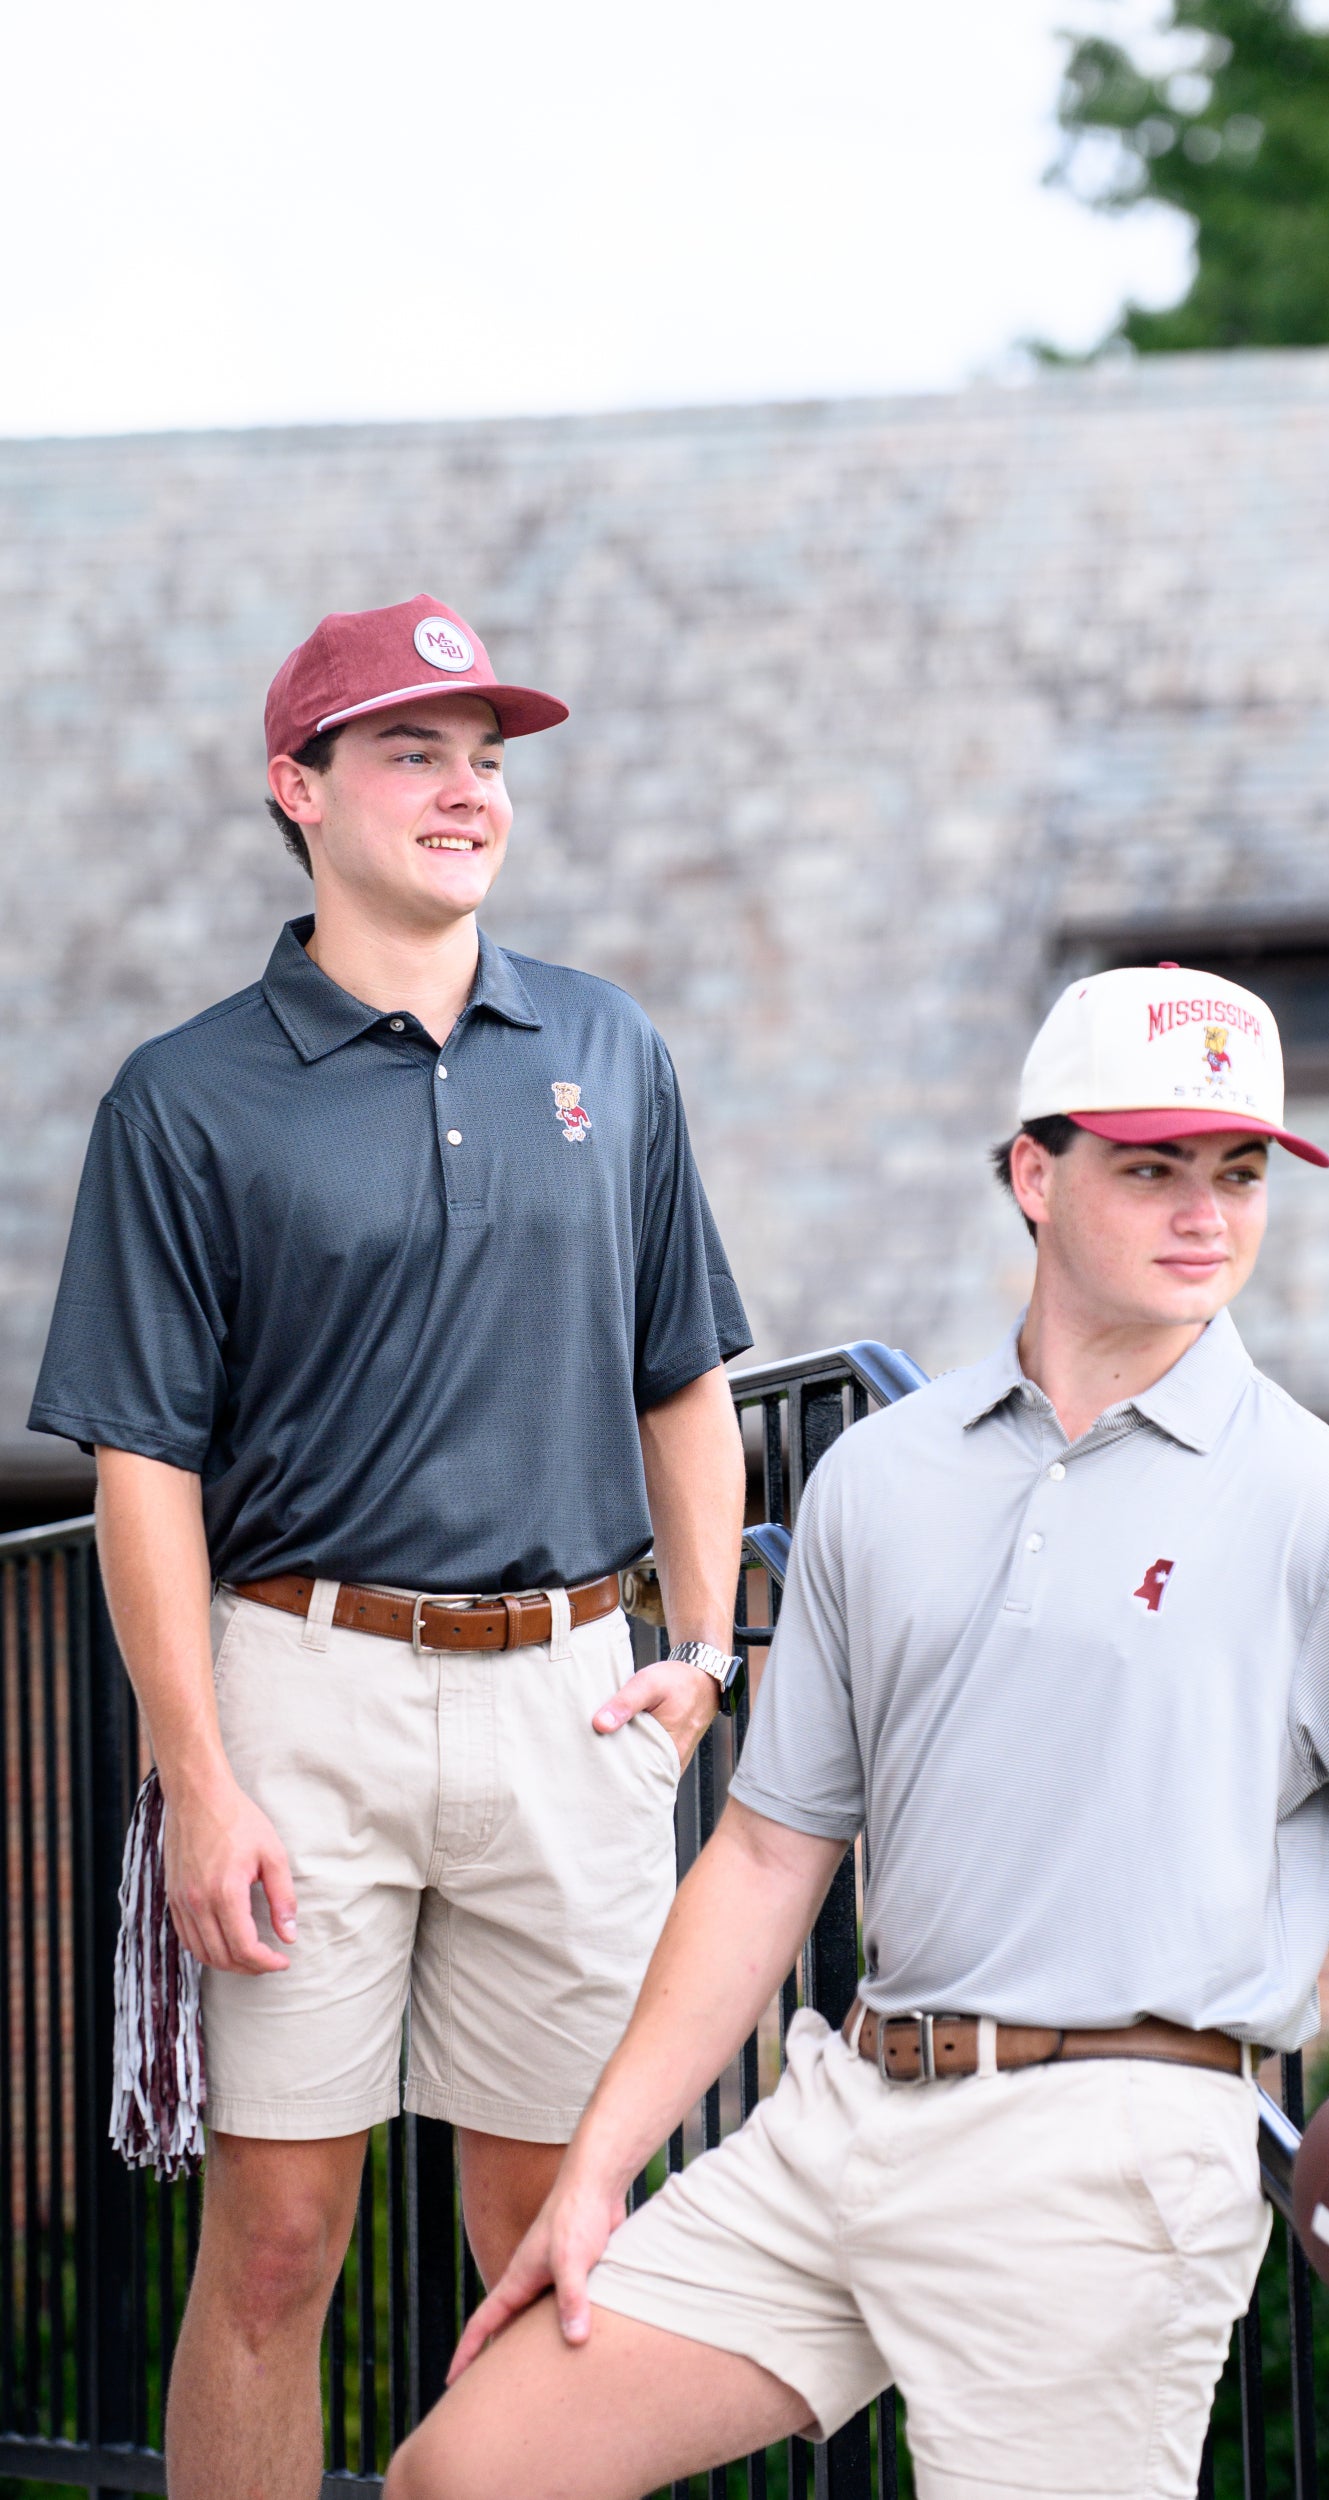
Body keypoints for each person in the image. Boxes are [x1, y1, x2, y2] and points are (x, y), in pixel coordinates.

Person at [385, 961, 1329, 2500]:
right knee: (467, 2474)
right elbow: (763, 1851)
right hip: (846, 2113)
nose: (1206, 1212)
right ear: (1033, 1173)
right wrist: (603, 2160)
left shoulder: (1324, 1507)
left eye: (1238, 1172)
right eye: (1152, 1170)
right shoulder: (881, 1478)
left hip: (1108, 2162)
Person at [28, 596, 753, 2500]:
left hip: (579, 1712)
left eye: (488, 760)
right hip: (302, 1712)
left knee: (558, 2248)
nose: (465, 793)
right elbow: (144, 1469)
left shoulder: (609, 1049)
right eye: (414, 753)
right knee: (275, 2246)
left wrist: (703, 1656)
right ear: (301, 789)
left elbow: (686, 1383)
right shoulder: (187, 1095)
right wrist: (198, 1780)